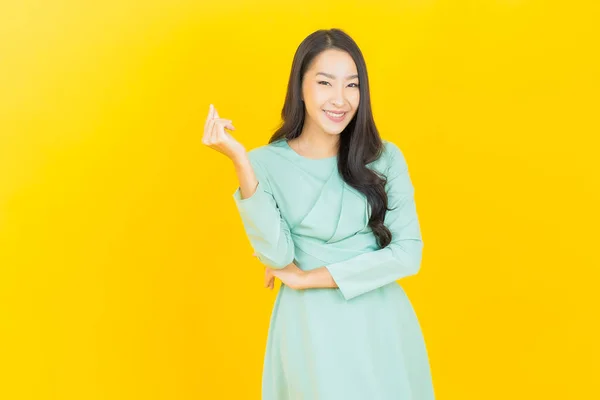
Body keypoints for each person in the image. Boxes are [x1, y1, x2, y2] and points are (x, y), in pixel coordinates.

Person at [203, 28, 435, 400]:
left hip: (380, 321)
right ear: (300, 87)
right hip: (309, 328)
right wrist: (241, 164)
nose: (340, 99)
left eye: (352, 85)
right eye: (325, 82)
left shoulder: (385, 158)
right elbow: (277, 255)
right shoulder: (265, 163)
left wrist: (307, 278)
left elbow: (408, 254)